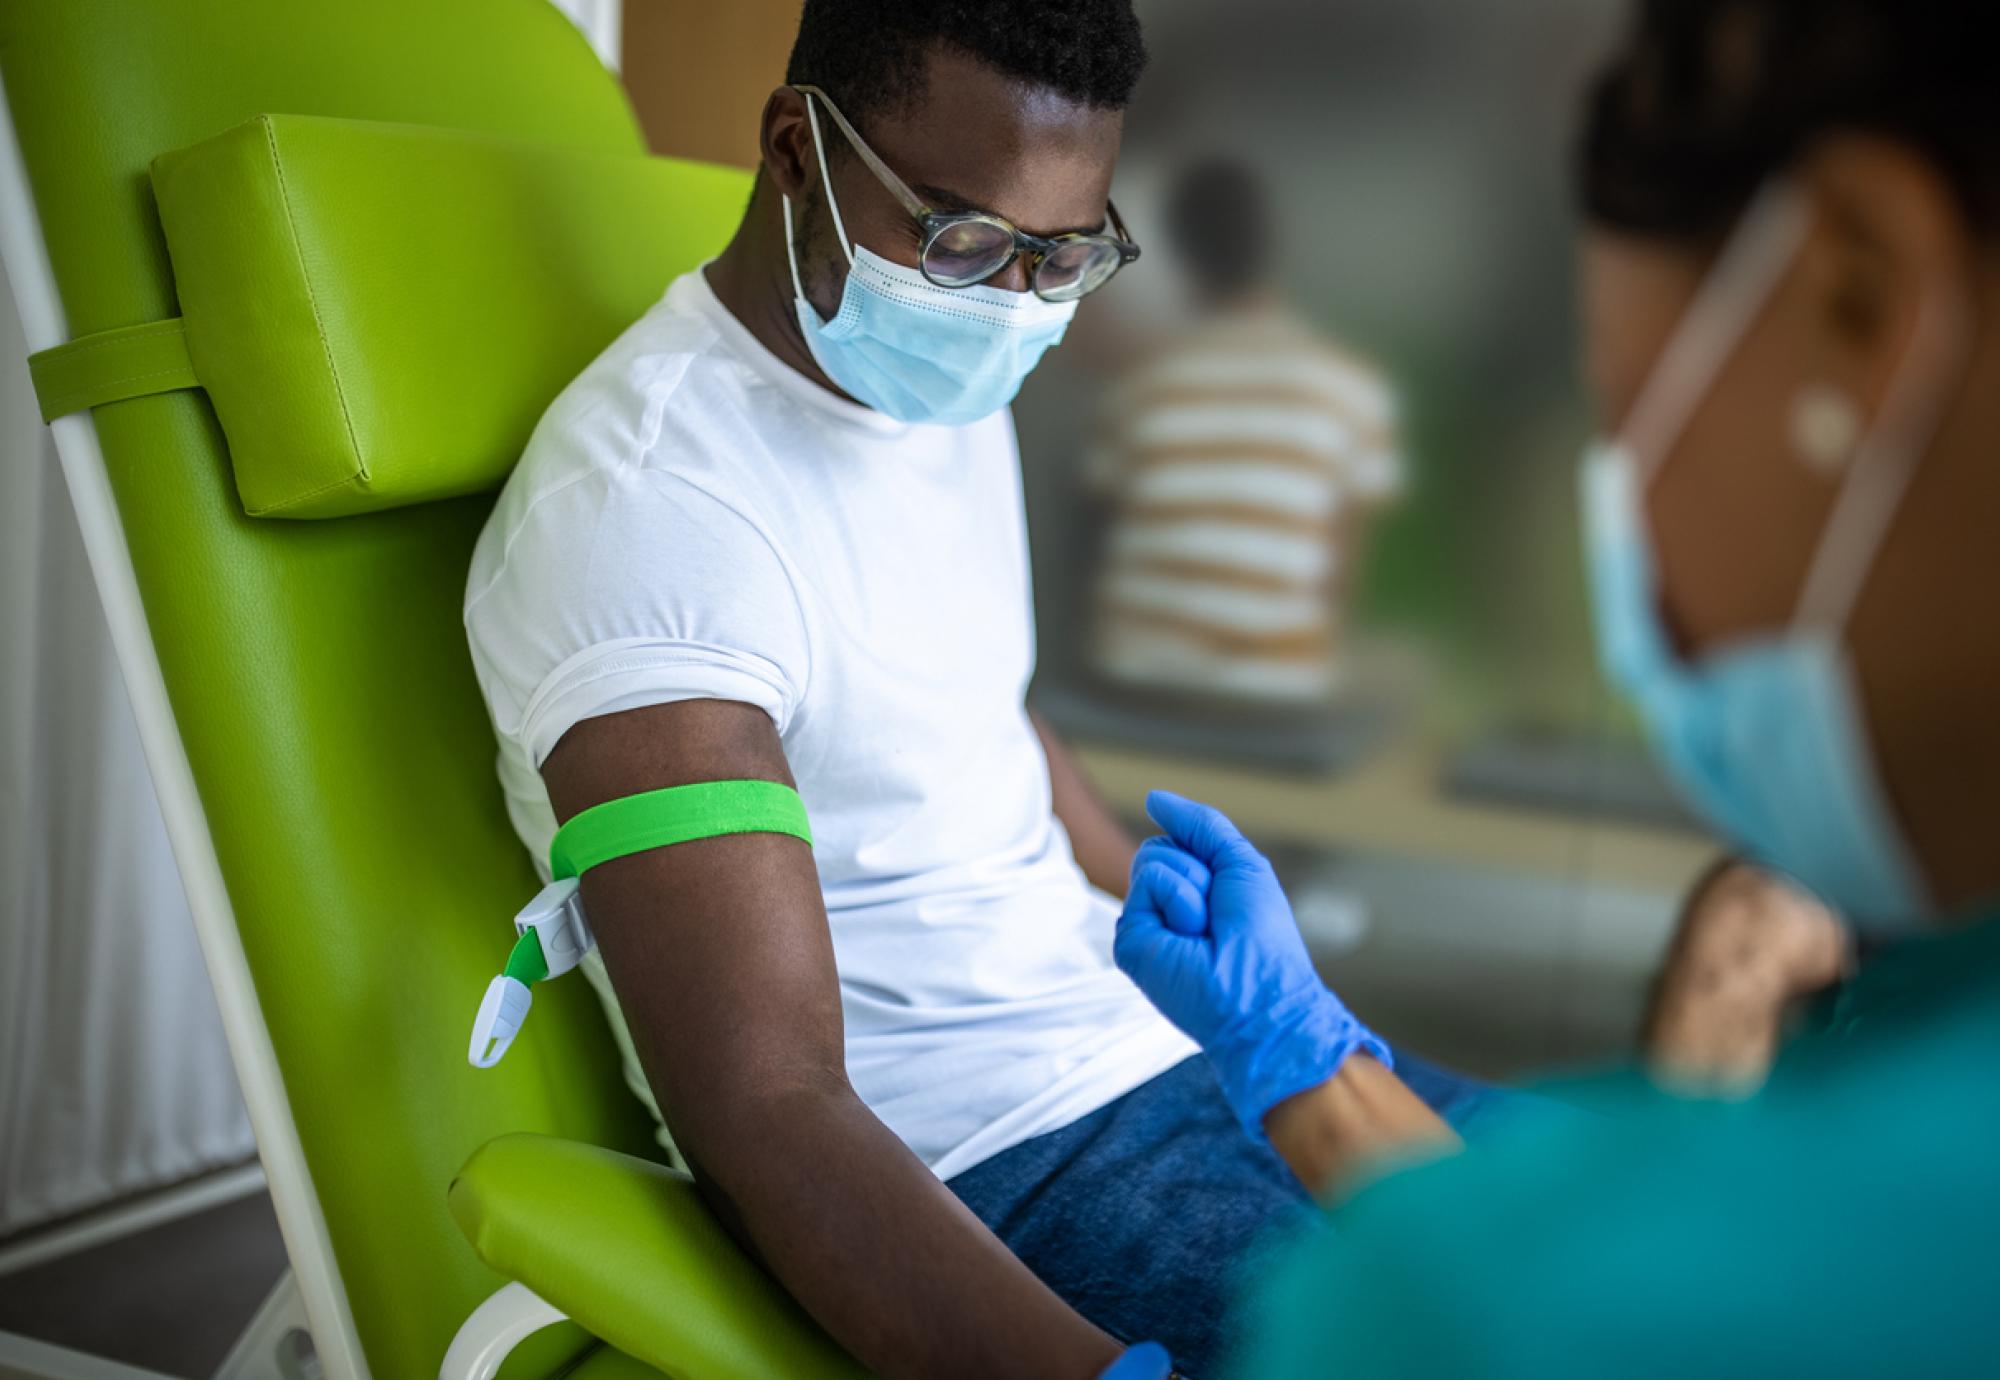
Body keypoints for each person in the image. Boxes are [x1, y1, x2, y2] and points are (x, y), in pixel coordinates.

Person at [463, 3, 1500, 1375]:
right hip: (1004, 1153)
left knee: (1661, 1243)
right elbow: (771, 1105)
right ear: (794, 150)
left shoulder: (938, 378)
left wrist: (1237, 979)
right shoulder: (652, 514)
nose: (1017, 305)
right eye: (964, 241)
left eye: (1066, 258)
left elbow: (977, 709)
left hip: (1164, 1043)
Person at [1111, 0, 2000, 1373]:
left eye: (1625, 419)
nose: (1635, 547)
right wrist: (1298, 1057)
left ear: (1860, 304)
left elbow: (1579, 1290)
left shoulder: (1478, 1312)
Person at [1085, 156, 1402, 704]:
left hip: (1136, 682)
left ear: (1181, 256)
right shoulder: (1353, 389)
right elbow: (1340, 579)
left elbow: (1109, 530)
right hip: (1274, 693)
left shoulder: (1141, 382)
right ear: (1277, 248)